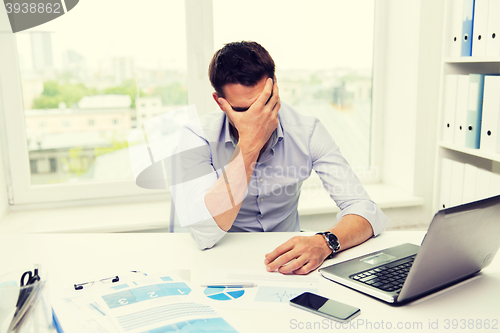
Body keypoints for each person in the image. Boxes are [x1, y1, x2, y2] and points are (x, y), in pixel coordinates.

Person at [177, 41, 387, 275]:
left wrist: (324, 242)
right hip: (222, 260)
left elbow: (367, 210)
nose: (258, 118)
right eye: (244, 111)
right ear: (220, 102)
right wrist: (248, 147)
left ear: (275, 88)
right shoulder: (197, 136)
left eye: (264, 104)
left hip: (288, 264)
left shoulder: (307, 131)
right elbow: (204, 234)